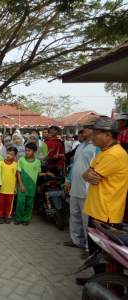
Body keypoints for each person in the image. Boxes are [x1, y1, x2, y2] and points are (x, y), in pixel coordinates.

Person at [77, 117, 128, 285]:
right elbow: (86, 175)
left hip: (106, 213)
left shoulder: (114, 154)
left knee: (104, 255)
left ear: (107, 134)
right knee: (95, 251)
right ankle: (98, 279)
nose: (92, 136)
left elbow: (93, 177)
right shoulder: (104, 152)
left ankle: (106, 284)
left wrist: (90, 174)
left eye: (96, 133)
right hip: (97, 210)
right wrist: (89, 174)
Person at [64, 120, 97, 251]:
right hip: (75, 187)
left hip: (87, 189)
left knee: (86, 219)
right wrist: (68, 179)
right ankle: (76, 240)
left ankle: (89, 247)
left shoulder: (96, 147)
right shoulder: (80, 146)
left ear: (92, 131)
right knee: (74, 215)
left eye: (84, 130)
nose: (81, 133)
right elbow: (74, 165)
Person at [15, 143, 45, 226]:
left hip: (32, 186)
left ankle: (26, 218)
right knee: (20, 202)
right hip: (22, 186)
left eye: (29, 151)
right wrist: (20, 184)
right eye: (26, 150)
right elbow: (18, 173)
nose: (27, 152)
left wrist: (47, 174)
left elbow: (39, 173)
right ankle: (18, 218)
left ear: (34, 151)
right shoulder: (21, 160)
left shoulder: (38, 162)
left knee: (29, 203)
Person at [0, 147, 18, 224]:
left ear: (15, 156)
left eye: (11, 154)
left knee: (9, 204)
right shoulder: (1, 163)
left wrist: (15, 187)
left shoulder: (15, 165)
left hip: (11, 189)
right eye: (8, 153)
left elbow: (16, 176)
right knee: (1, 203)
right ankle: (0, 216)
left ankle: (7, 216)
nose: (9, 155)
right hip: (2, 188)